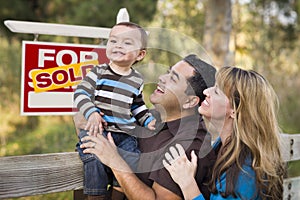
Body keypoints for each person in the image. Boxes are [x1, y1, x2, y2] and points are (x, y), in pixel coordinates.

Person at [77, 54, 217, 199]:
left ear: (190, 101)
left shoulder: (191, 144)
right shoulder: (148, 118)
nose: (162, 78)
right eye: (168, 72)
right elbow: (84, 124)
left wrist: (115, 162)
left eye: (173, 78)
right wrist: (90, 115)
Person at [163, 66, 285, 200]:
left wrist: (187, 183)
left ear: (235, 110)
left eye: (216, 91)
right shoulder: (224, 145)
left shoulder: (245, 170)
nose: (206, 91)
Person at [73, 22, 155, 199]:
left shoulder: (136, 79)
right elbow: (80, 93)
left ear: (140, 54)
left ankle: (118, 194)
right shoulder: (98, 72)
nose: (118, 45)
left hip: (125, 133)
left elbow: (137, 106)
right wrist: (92, 113)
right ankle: (96, 195)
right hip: (97, 129)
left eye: (127, 42)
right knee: (93, 159)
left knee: (132, 157)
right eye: (113, 41)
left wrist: (148, 120)